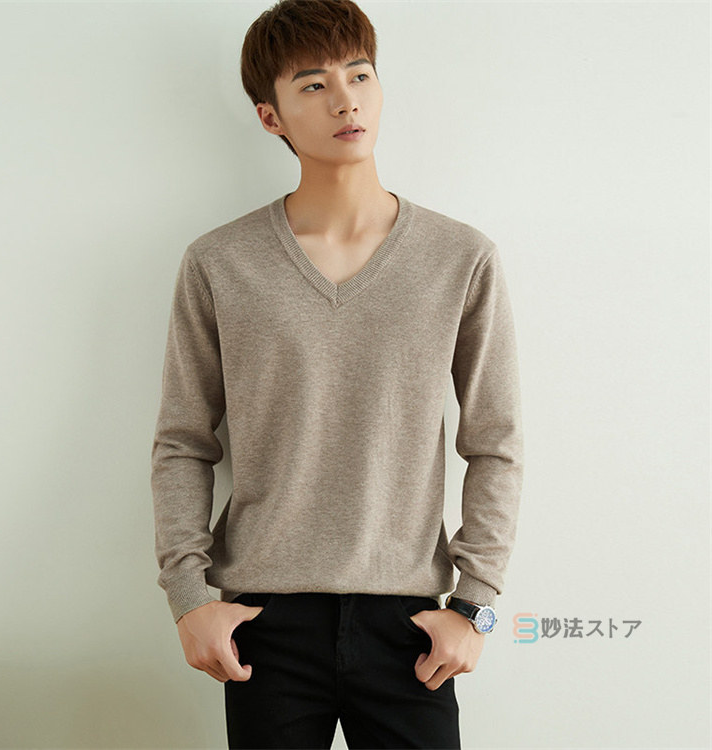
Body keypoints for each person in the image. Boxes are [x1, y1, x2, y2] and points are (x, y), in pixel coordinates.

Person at [150, 0, 524, 747]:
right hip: (264, 624)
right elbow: (184, 442)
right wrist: (189, 597)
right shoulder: (220, 263)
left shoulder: (460, 258)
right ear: (271, 117)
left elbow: (496, 442)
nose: (345, 100)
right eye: (314, 85)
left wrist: (476, 605)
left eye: (360, 75)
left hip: (410, 625)